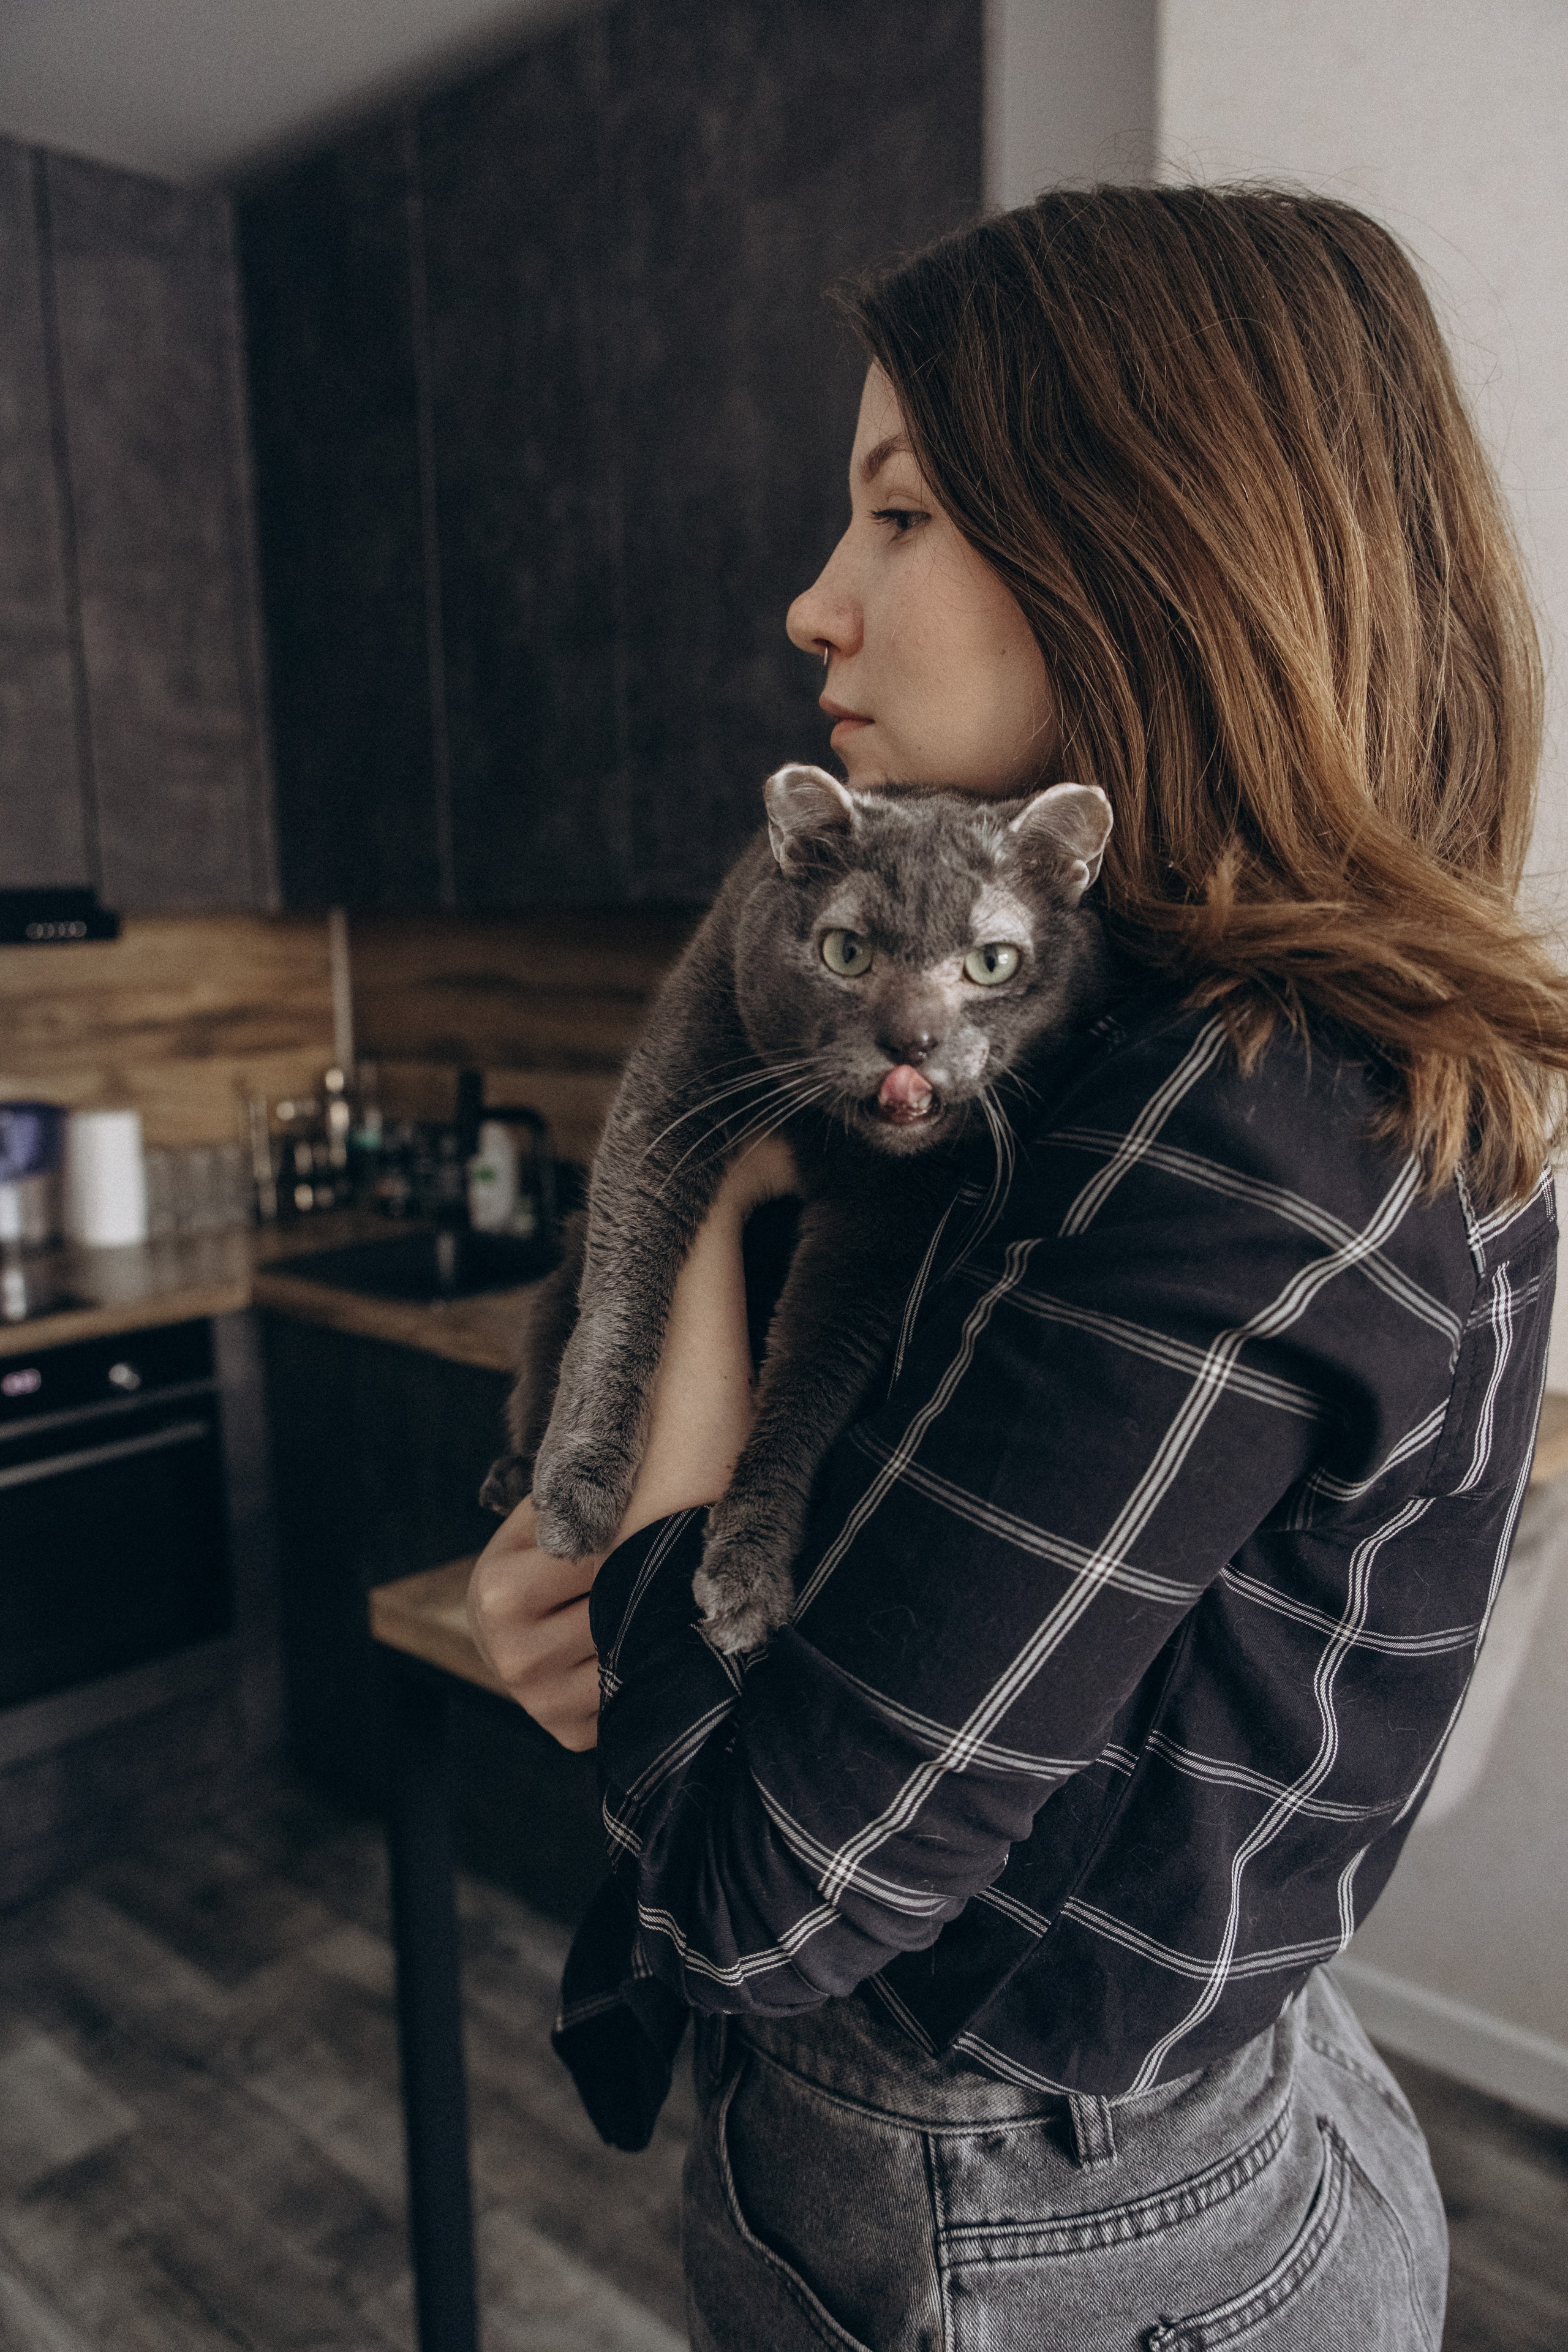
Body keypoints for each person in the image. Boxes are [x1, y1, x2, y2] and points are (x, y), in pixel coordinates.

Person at [469, 187, 1567, 2351]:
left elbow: (755, 1902)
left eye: (895, 516)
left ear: (1143, 538)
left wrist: (682, 1322)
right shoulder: (1241, 1035)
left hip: (1009, 2216)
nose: (814, 601)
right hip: (1216, 2106)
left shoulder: (1230, 1138)